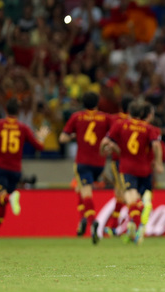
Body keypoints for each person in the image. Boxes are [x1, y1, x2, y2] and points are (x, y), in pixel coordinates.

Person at [0, 98, 48, 241]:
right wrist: (41, 137)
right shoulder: (23, 127)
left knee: (0, 199)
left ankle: (11, 197)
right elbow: (39, 147)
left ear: (5, 110)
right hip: (15, 171)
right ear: (18, 112)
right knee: (2, 204)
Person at [100, 101, 164, 244]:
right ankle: (135, 223)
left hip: (127, 168)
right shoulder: (149, 128)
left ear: (129, 112)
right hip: (145, 169)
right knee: (139, 199)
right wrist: (159, 163)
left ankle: (134, 224)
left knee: (131, 199)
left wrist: (102, 150)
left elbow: (105, 141)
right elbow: (156, 145)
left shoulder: (120, 124)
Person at [59, 92, 111, 245]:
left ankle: (91, 220)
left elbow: (62, 138)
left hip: (82, 162)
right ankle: (82, 218)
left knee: (85, 192)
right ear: (97, 103)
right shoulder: (105, 117)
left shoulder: (77, 117)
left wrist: (75, 136)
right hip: (99, 164)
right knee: (80, 189)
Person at [103, 96, 133, 237]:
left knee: (122, 193)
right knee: (123, 192)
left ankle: (129, 223)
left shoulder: (113, 119)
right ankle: (115, 226)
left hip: (118, 161)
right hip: (134, 161)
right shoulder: (136, 121)